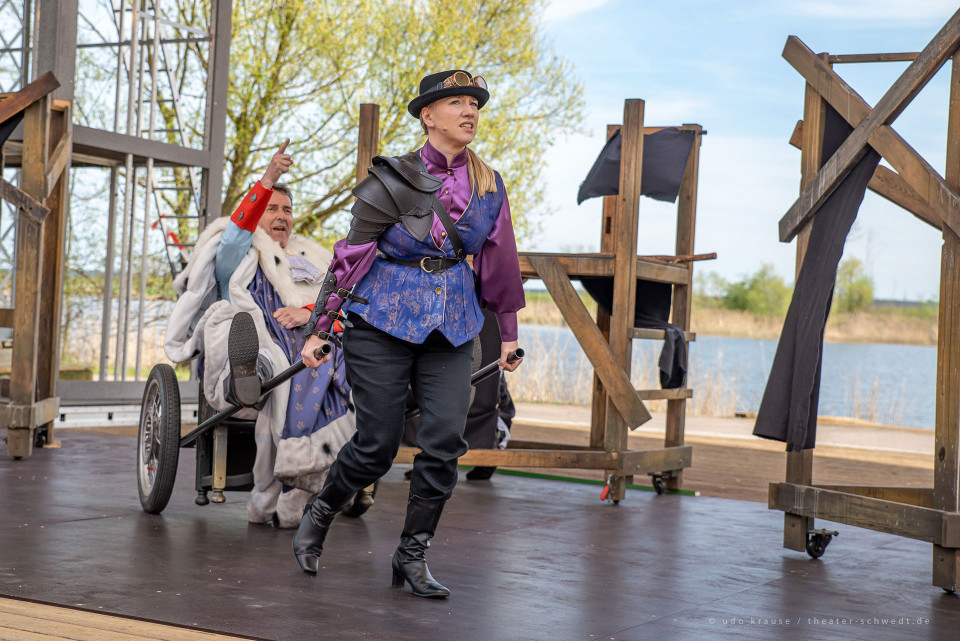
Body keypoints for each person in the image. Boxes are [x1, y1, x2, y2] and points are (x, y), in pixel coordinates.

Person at [292, 69, 525, 598]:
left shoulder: (489, 185)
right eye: (457, 102)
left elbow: (501, 263)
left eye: (475, 104)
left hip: (454, 328)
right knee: (377, 445)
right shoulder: (391, 179)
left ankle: (412, 555)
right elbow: (349, 258)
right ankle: (322, 510)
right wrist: (319, 328)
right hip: (381, 323)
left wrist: (508, 334)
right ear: (428, 115)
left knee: (444, 442)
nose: (470, 111)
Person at [164, 142, 357, 528]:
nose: (282, 216)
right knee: (283, 364)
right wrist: (269, 178)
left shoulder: (312, 258)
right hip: (261, 333)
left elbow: (345, 301)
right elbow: (237, 231)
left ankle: (277, 492)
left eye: (287, 210)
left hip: (317, 338)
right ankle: (249, 371)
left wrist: (308, 312)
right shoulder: (239, 252)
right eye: (272, 208)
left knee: (336, 359)